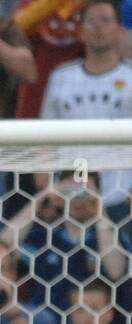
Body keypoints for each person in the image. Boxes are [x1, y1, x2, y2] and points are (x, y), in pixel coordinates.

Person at [39, 0, 132, 207]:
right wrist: (45, 189)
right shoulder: (61, 77)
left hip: (121, 195)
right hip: (68, 196)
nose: (98, 26)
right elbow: (45, 136)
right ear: (80, 31)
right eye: (91, 21)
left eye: (106, 20)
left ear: (119, 29)